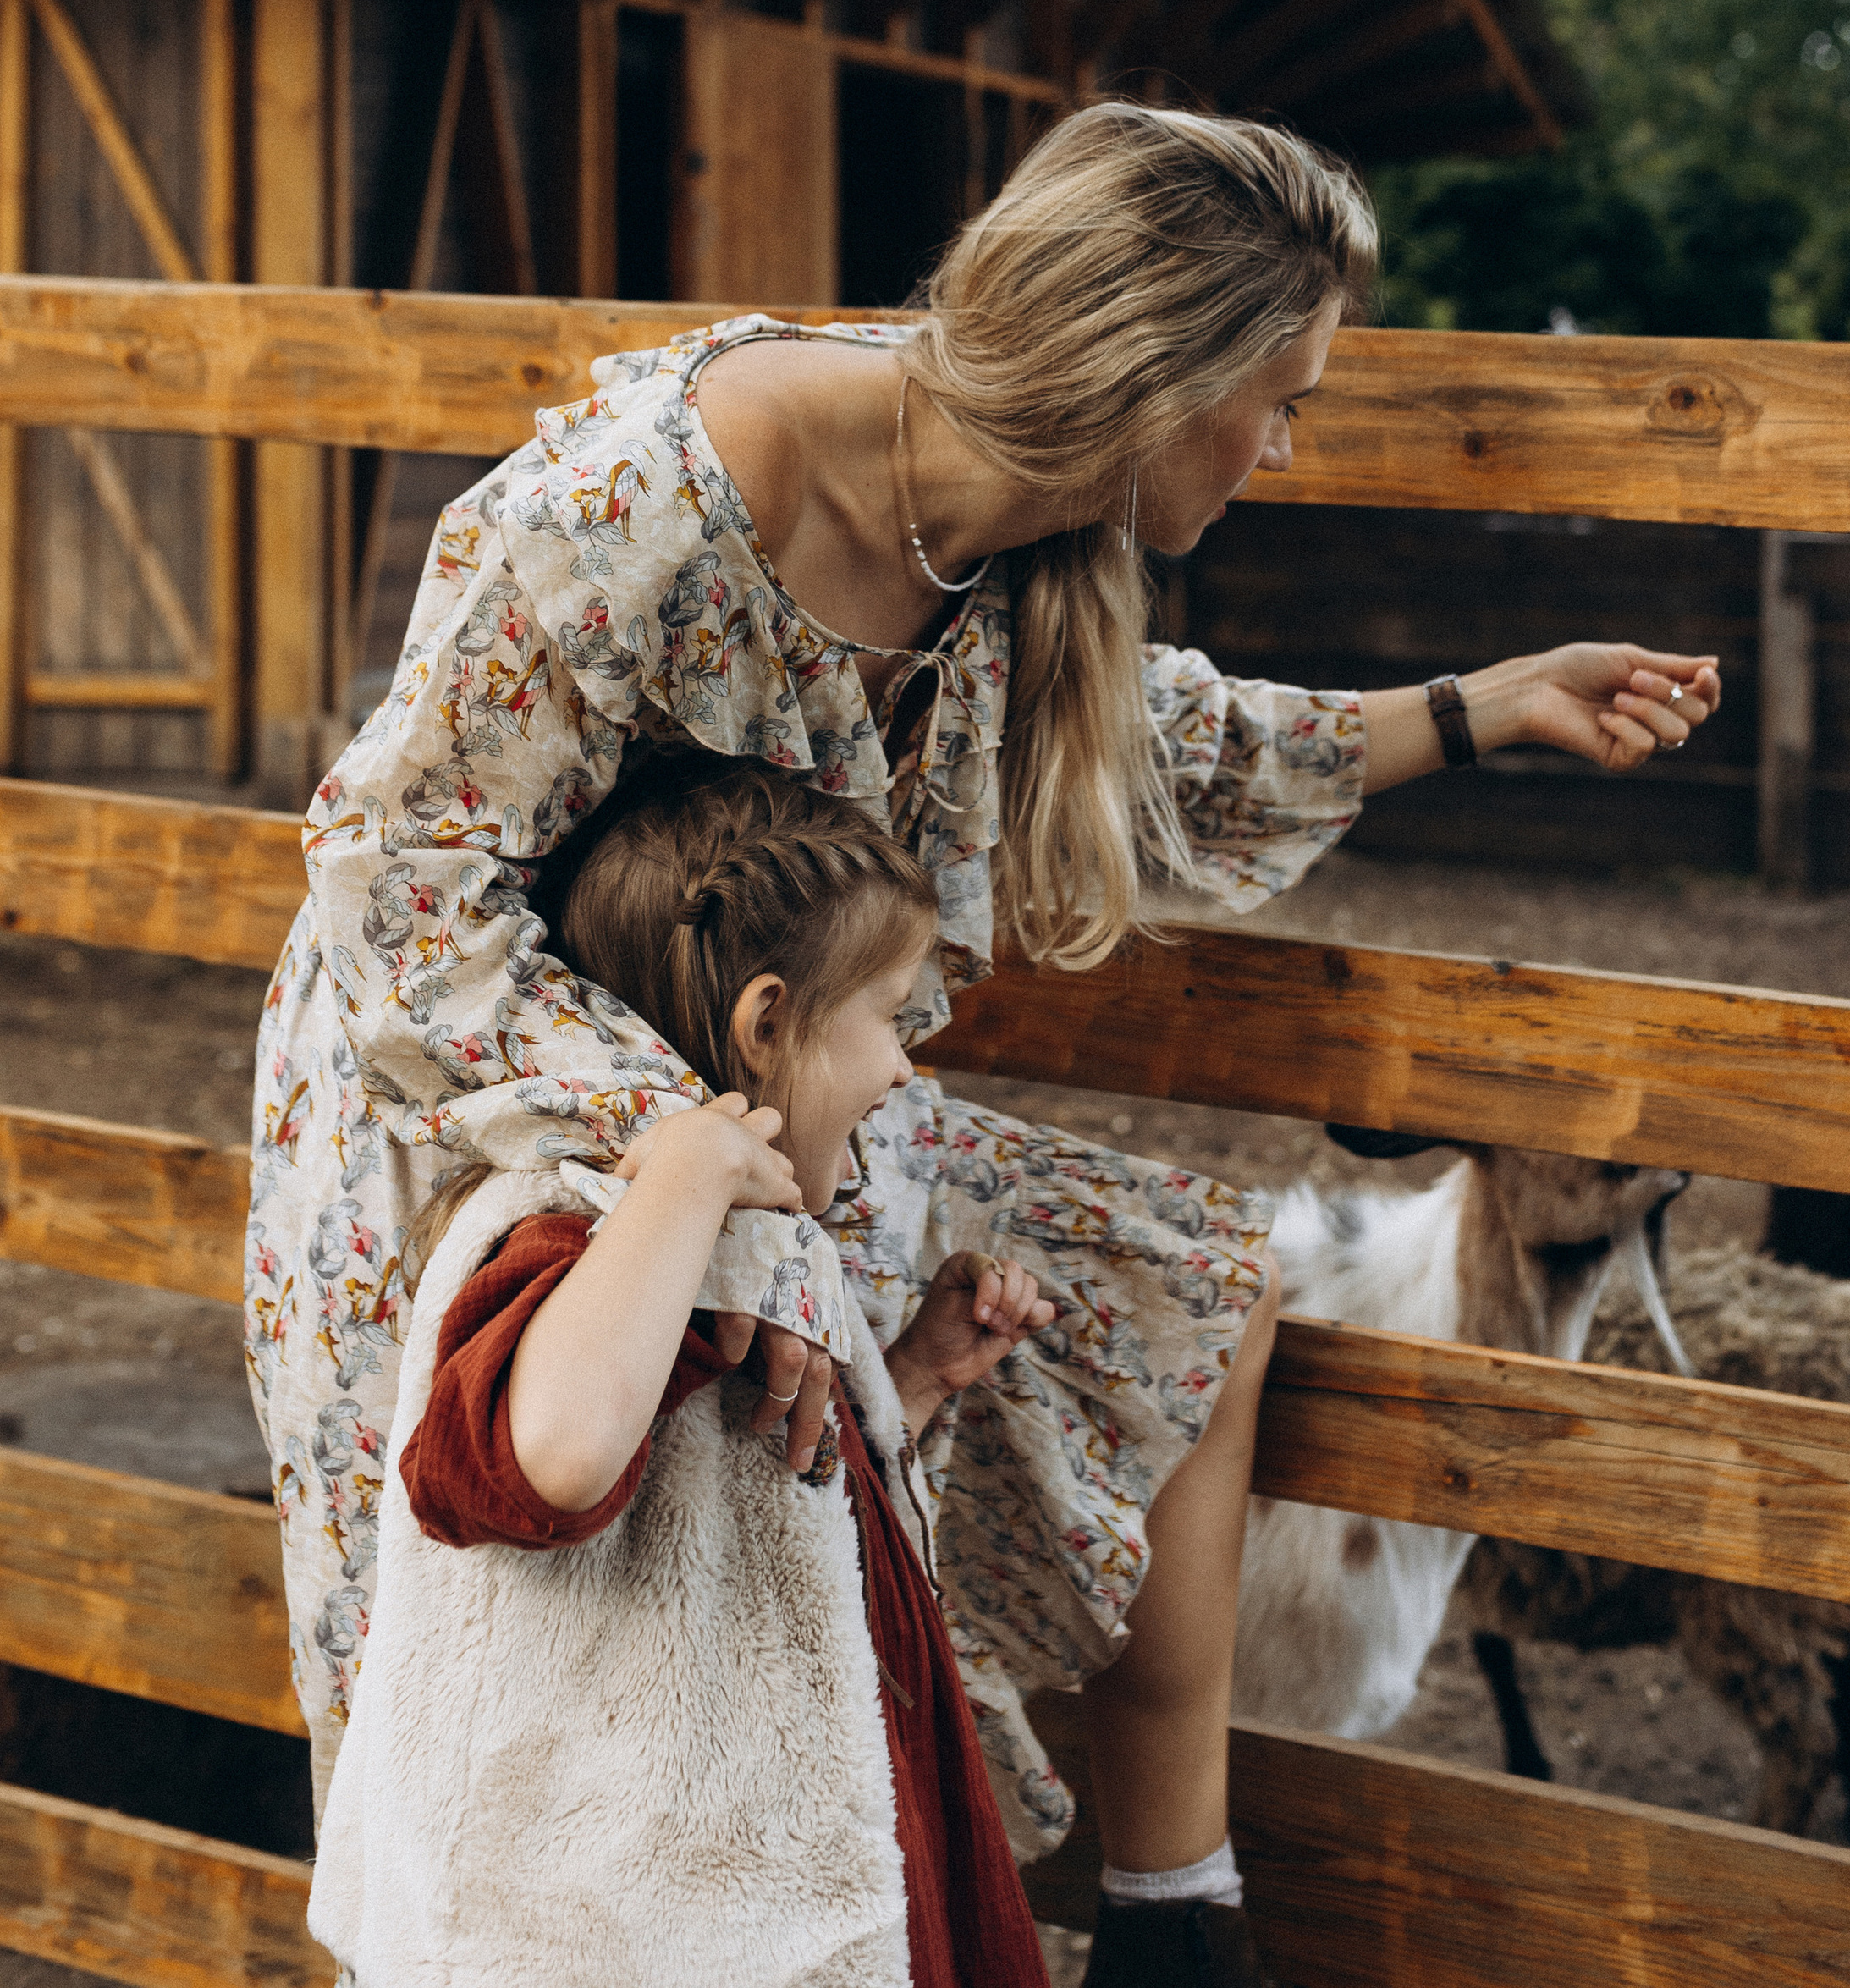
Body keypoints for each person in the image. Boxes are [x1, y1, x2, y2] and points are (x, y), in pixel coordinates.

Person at [250, 100, 1718, 1988]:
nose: (1282, 447)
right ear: (1148, 367)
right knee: (547, 1684)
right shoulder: (651, 500)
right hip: (475, 1118)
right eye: (1274, 400)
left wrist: (1478, 704)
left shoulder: (1028, 540)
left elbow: (1172, 747)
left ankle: (1174, 1928)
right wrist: (712, 1196)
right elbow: (403, 878)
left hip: (781, 1117)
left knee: (1183, 1292)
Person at [308, 761, 1054, 1988]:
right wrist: (684, 1178)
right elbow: (551, 1455)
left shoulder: (747, 1261)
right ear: (767, 1024)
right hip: (628, 1937)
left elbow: (750, 1501)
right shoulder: (573, 1234)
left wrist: (912, 1376)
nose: (905, 1067)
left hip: (762, 1901)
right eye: (887, 1011)